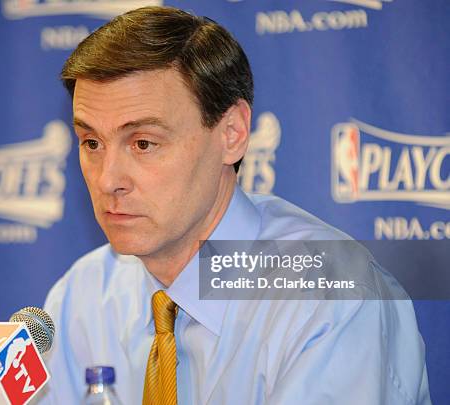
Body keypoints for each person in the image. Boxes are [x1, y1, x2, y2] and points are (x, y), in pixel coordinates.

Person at [40, 6, 430, 405]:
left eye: (143, 143)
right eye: (91, 144)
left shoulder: (330, 300)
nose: (107, 180)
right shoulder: (82, 295)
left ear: (232, 134)